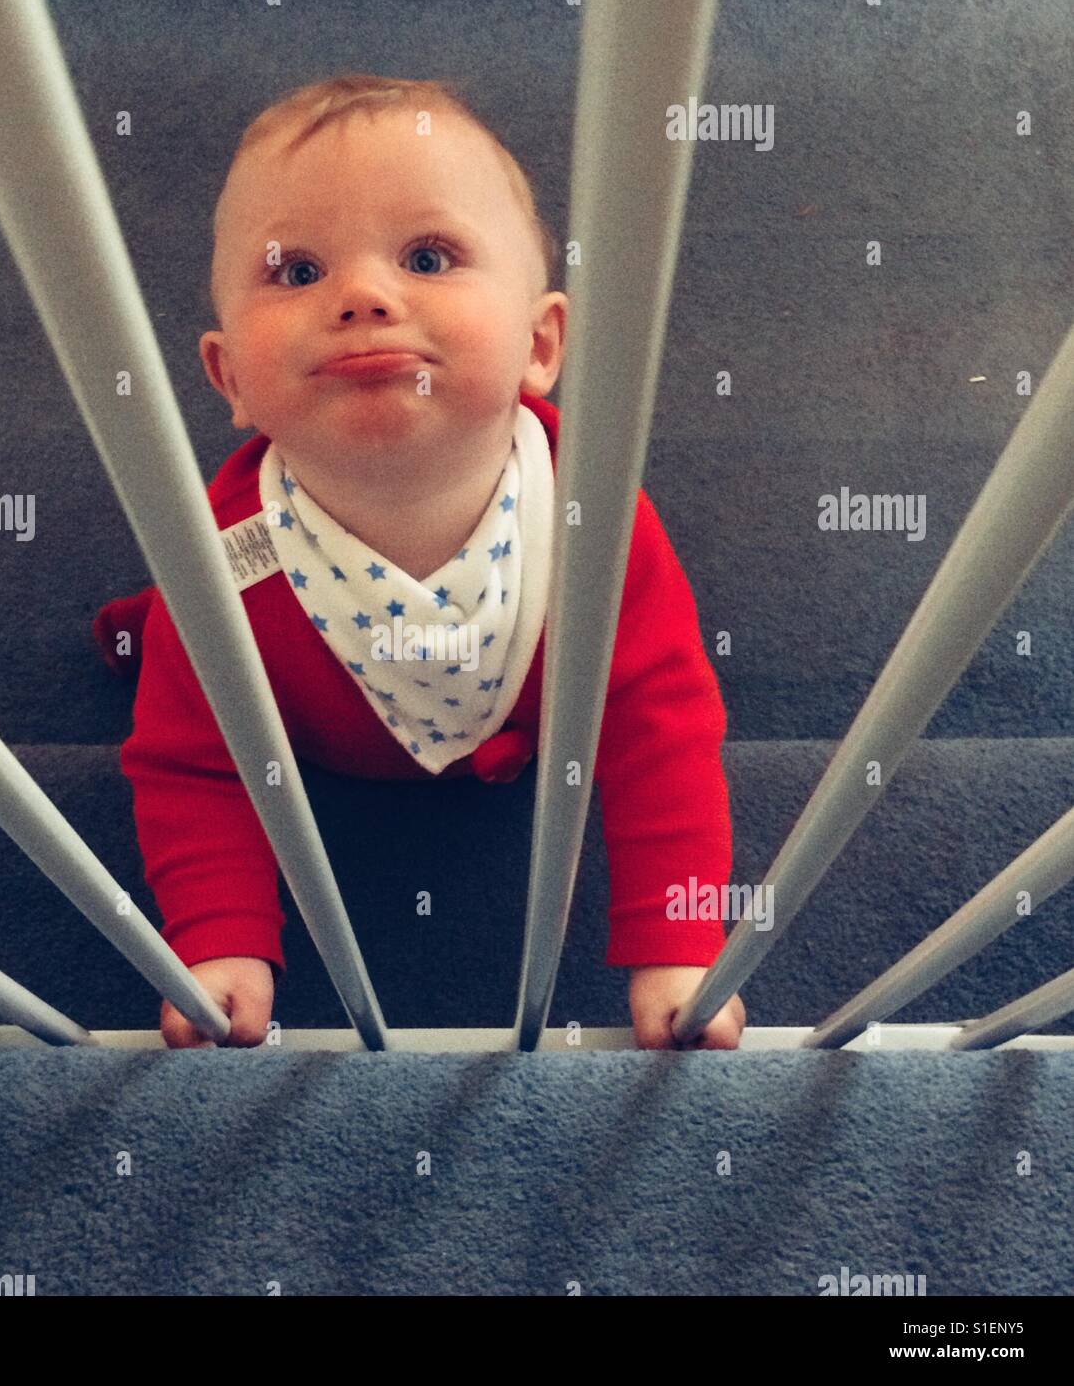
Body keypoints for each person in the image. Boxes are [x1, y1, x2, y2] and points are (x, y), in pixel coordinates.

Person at [95, 74, 747, 1051]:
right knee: (176, 659)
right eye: (297, 271)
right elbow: (196, 760)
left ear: (539, 343)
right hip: (326, 750)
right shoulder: (223, 562)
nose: (363, 295)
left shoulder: (597, 519)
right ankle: (141, 629)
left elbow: (660, 722)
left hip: (509, 734)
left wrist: (679, 937)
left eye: (429, 256)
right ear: (231, 378)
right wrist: (220, 936)